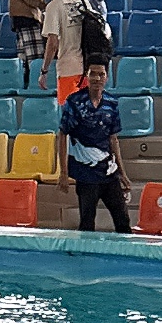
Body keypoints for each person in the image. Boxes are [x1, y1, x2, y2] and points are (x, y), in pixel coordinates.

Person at [61, 57, 131, 232]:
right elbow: (62, 135)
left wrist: (122, 172)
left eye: (101, 74)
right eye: (93, 74)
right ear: (86, 76)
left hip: (109, 173)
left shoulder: (111, 103)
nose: (97, 78)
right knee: (87, 222)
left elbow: (113, 139)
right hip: (85, 175)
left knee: (123, 220)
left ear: (106, 77)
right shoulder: (74, 102)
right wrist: (63, 172)